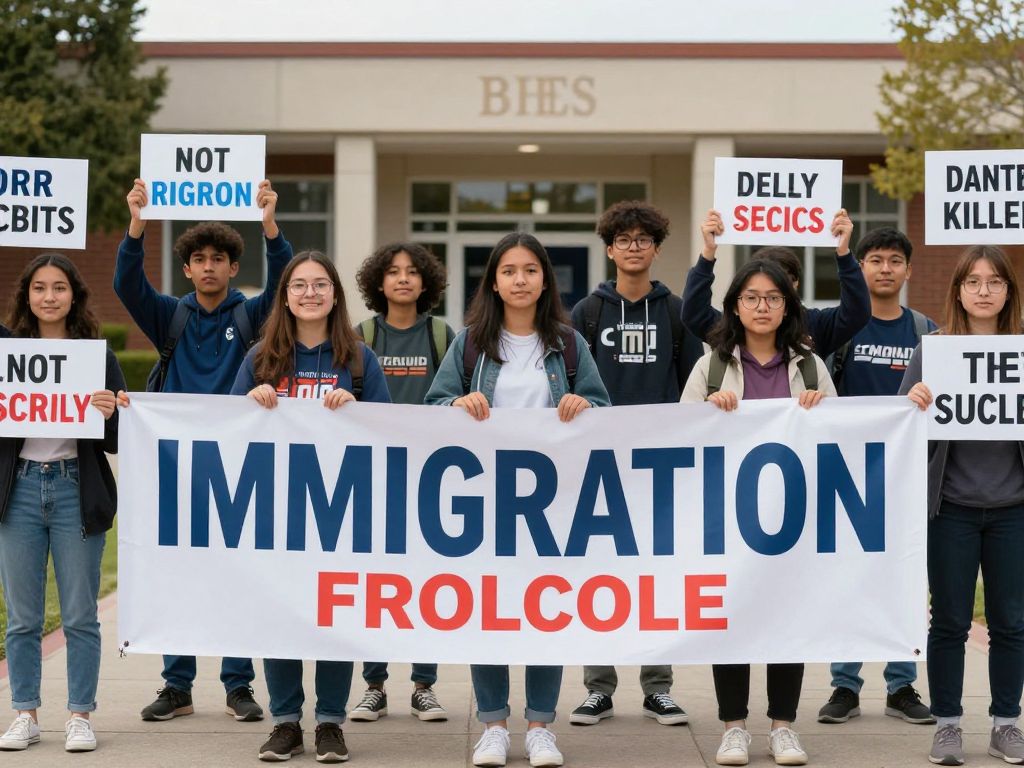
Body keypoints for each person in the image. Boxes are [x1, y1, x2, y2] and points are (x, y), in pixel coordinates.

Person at [425, 232, 610, 768]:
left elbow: (602, 406)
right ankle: (493, 727)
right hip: (485, 505)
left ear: (545, 279)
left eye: (530, 270)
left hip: (550, 510)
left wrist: (582, 403)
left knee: (544, 613)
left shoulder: (569, 345)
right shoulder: (471, 345)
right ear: (495, 282)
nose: (520, 280)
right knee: (490, 614)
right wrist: (460, 403)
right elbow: (436, 405)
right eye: (509, 271)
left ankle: (541, 727)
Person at [114, 178, 293, 722]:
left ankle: (238, 685)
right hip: (175, 465)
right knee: (179, 570)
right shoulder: (171, 315)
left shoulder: (251, 315)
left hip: (238, 466)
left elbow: (286, 281)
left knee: (235, 571)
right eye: (199, 259)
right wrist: (136, 225)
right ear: (187, 269)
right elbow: (126, 283)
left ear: (234, 267)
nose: (209, 266)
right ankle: (178, 686)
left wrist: (270, 227)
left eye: (219, 258)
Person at [231, 250, 390, 763]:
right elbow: (221, 430)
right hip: (276, 511)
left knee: (332, 620)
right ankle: (284, 722)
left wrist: (359, 412)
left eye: (320, 284)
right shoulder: (260, 358)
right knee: (280, 616)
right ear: (285, 296)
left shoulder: (359, 360)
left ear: (336, 294)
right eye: (298, 285)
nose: (309, 293)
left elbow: (393, 433)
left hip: (341, 512)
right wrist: (251, 404)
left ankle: (330, 723)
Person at [680, 258, 836, 767]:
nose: (762, 307)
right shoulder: (712, 366)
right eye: (751, 298)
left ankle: (783, 728)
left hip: (792, 521)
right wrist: (710, 412)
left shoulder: (810, 365)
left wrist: (821, 410)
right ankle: (733, 728)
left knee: (786, 621)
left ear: (787, 305)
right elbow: (679, 437)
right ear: (735, 306)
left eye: (772, 298)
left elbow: (840, 441)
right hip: (728, 518)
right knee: (735, 622)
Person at [567, 200, 699, 726]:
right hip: (597, 468)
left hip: (660, 466)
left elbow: (695, 386)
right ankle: (598, 687)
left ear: (657, 249)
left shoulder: (676, 312)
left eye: (644, 239)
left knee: (657, 575)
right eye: (624, 239)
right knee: (600, 575)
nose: (634, 247)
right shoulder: (587, 313)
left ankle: (658, 686)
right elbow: (570, 385)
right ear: (610, 249)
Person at [901, 245, 1024, 767]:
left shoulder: (1021, 351)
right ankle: (948, 725)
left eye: (994, 282)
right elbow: (901, 422)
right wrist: (916, 401)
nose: (983, 291)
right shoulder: (933, 349)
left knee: (1012, 623)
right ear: (957, 291)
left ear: (1008, 293)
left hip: (1013, 508)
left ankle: (1006, 725)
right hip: (950, 508)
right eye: (972, 282)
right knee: (948, 621)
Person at [0, 254, 125, 753]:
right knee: (23, 616)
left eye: (58, 287)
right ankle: (25, 713)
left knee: (79, 614)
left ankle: (79, 716)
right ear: (25, 297)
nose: (49, 296)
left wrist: (112, 410)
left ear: (74, 294)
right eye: (38, 288)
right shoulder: (7, 353)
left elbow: (116, 439)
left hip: (77, 489)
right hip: (21, 491)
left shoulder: (97, 356)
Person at [817, 227, 936, 726]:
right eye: (875, 260)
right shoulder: (844, 329)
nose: (884, 269)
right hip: (847, 475)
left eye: (894, 261)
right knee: (849, 577)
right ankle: (844, 685)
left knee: (904, 577)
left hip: (910, 475)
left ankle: (902, 684)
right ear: (860, 269)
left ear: (908, 271)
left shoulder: (928, 333)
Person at [349, 241, 454, 722]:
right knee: (378, 583)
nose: (404, 279)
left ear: (426, 281)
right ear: (379, 283)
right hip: (376, 475)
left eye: (412, 272)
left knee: (428, 581)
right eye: (393, 272)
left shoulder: (441, 334)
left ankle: (424, 685)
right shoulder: (363, 335)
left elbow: (459, 396)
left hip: (431, 477)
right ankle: (374, 684)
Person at [684, 208, 870, 358]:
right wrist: (708, 252)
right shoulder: (734, 325)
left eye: (780, 285)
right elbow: (694, 313)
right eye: (754, 294)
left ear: (795, 284)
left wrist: (844, 253)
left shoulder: (815, 324)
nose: (764, 305)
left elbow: (856, 313)